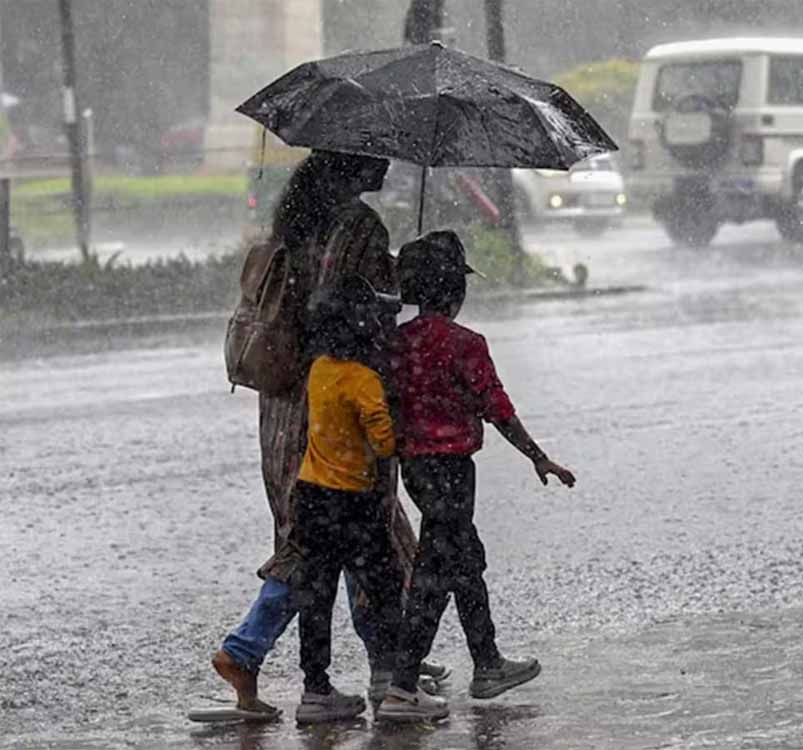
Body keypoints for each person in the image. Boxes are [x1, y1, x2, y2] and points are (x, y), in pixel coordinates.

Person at [209, 151, 445, 721]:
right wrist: (403, 283)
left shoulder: (295, 222)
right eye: (376, 153)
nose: (387, 163)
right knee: (350, 539)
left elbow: (316, 300)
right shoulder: (359, 225)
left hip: (287, 404)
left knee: (328, 537)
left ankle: (388, 660)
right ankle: (251, 651)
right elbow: (356, 312)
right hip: (341, 406)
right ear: (351, 164)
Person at [376, 231, 577, 722]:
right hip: (452, 471)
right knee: (435, 572)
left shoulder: (394, 344)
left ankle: (487, 662)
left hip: (415, 471)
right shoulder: (466, 344)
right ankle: (402, 686)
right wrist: (538, 457)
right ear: (456, 291)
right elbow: (497, 408)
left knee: (464, 559)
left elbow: (390, 405)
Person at [287, 275, 404, 723]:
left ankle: (315, 689)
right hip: (353, 502)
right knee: (384, 585)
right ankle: (389, 678)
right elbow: (384, 443)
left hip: (311, 497)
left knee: (317, 596)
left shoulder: (319, 369)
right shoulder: (364, 380)